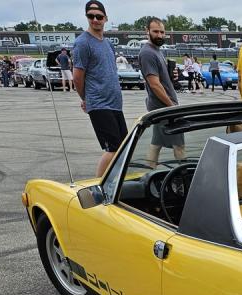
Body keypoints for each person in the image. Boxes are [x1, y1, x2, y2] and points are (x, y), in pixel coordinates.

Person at [73, 0, 127, 176]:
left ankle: (114, 184)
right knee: (112, 150)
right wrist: (85, 99)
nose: (95, 20)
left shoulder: (107, 43)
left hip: (115, 103)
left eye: (99, 16)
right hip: (99, 103)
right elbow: (77, 77)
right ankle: (99, 186)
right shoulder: (83, 43)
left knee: (123, 148)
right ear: (87, 17)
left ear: (105, 18)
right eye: (91, 16)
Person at [137, 18, 184, 166]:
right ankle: (185, 177)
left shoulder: (156, 51)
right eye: (155, 31)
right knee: (179, 144)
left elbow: (160, 80)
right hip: (164, 106)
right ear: (147, 32)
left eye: (162, 32)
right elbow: (154, 84)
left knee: (156, 143)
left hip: (161, 106)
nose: (159, 35)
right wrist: (172, 107)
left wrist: (172, 76)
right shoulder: (147, 53)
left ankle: (147, 172)